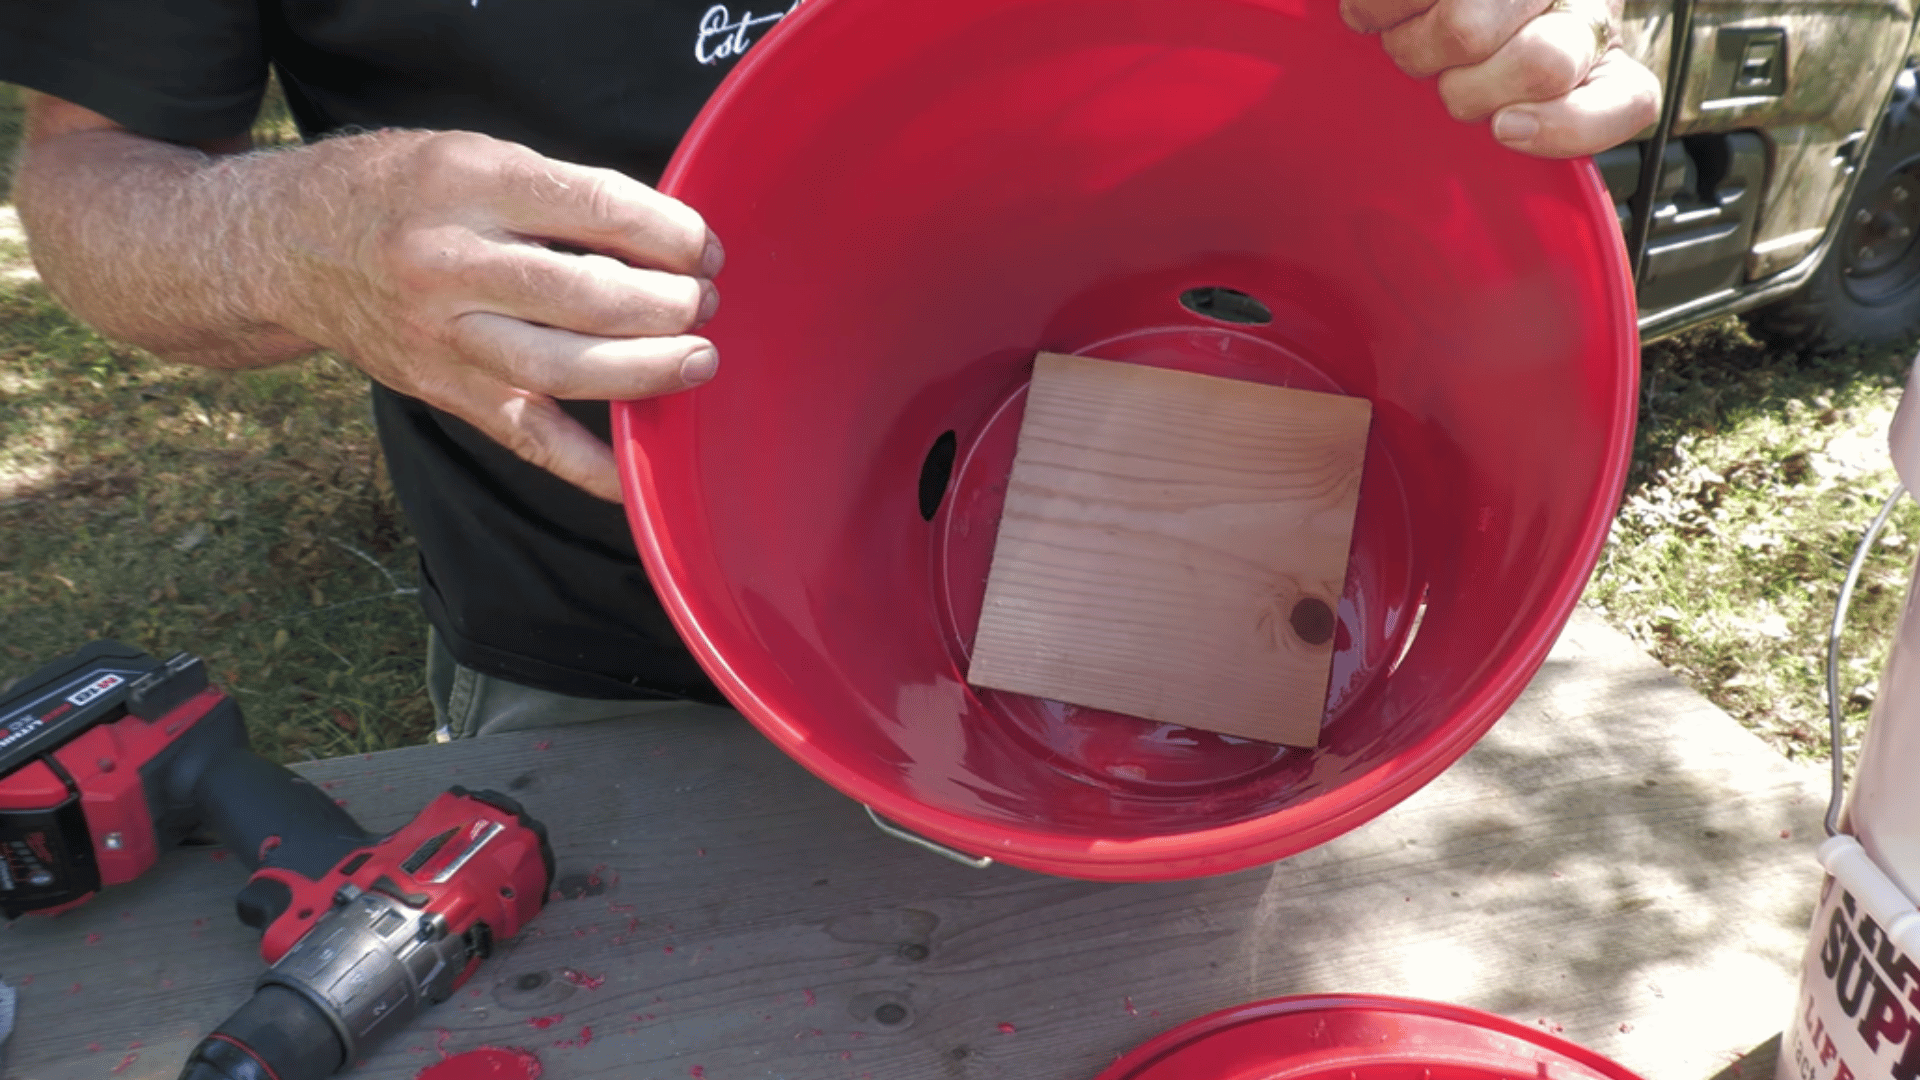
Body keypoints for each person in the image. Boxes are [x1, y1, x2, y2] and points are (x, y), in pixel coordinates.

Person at [0, 0, 1659, 740]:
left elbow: (1508, 37)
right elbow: (89, 183)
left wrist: (1522, 37)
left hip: (1227, 582)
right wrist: (285, 233)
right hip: (611, 661)